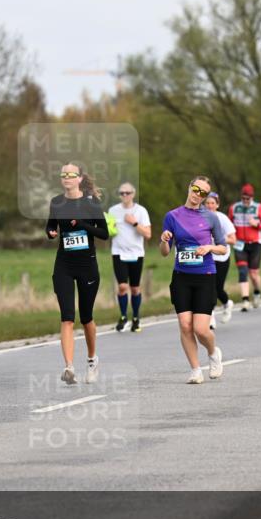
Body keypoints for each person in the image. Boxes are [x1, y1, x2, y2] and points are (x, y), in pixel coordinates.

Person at [160, 177, 228, 383]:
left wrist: (209, 248)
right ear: (189, 187)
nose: (198, 194)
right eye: (196, 189)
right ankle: (195, 369)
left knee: (200, 328)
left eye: (203, 193)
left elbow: (223, 247)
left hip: (205, 276)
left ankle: (213, 352)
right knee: (185, 324)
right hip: (181, 277)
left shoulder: (211, 217)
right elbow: (164, 252)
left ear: (206, 197)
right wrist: (163, 240)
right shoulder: (172, 216)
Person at [46, 163, 109, 384]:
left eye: (71, 175)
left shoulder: (91, 203)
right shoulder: (57, 202)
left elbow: (104, 234)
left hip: (87, 266)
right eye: (63, 174)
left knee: (86, 317)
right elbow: (51, 226)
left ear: (80, 178)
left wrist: (82, 224)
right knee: (67, 317)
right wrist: (51, 232)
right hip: (64, 264)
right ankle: (69, 367)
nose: (66, 178)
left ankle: (92, 359)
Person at [107, 182, 151, 332]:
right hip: (118, 252)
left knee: (135, 288)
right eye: (121, 193)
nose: (124, 196)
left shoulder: (141, 211)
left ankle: (136, 318)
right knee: (122, 287)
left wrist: (134, 223)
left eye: (127, 193)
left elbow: (148, 234)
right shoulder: (113, 210)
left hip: (136, 253)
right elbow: (109, 229)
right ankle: (123, 316)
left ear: (133, 194)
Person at [228, 183, 261, 311]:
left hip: (255, 243)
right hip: (239, 243)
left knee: (253, 274)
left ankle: (257, 292)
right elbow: (228, 224)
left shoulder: (259, 208)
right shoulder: (234, 208)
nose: (246, 201)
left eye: (248, 198)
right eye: (243, 198)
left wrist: (257, 225)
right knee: (242, 271)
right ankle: (245, 300)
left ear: (252, 198)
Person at [203, 191, 237, 327]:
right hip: (207, 257)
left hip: (222, 257)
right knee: (208, 287)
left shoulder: (222, 218)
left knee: (217, 288)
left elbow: (233, 239)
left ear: (217, 205)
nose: (210, 205)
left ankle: (227, 303)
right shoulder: (201, 217)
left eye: (212, 203)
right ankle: (211, 318)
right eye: (207, 203)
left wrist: (218, 240)